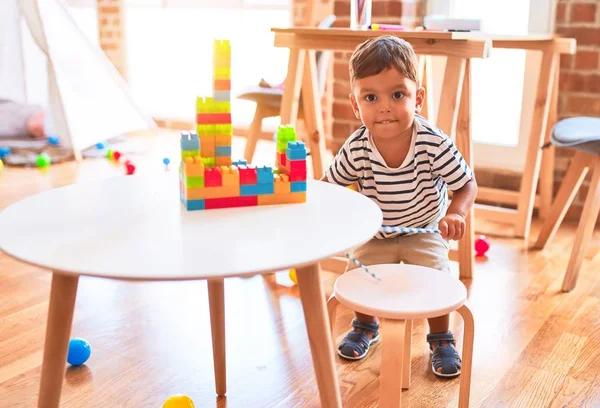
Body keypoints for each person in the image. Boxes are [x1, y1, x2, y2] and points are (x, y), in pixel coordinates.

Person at [322, 36, 478, 377]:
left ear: (417, 98)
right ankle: (365, 326)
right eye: (370, 97)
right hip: (375, 233)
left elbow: (466, 183)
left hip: (424, 229)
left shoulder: (432, 142)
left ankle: (441, 336)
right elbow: (330, 186)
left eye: (397, 94)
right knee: (361, 277)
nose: (384, 107)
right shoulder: (357, 146)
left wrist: (456, 212)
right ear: (355, 104)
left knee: (436, 277)